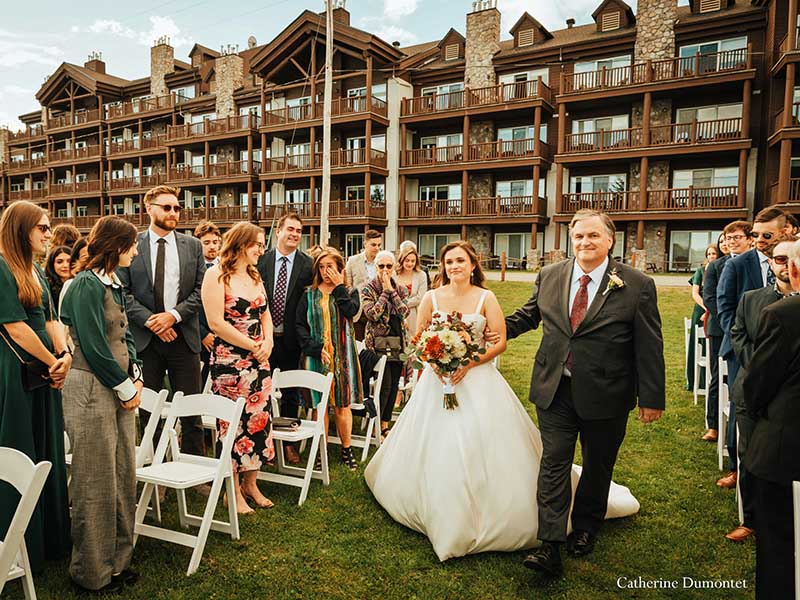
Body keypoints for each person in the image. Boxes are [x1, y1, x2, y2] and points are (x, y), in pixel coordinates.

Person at [365, 239, 640, 563]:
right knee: (437, 444)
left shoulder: (486, 297)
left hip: (478, 381)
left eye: (461, 261)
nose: (455, 266)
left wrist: (468, 361)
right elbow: (419, 335)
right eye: (449, 261)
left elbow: (499, 342)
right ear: (444, 266)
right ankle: (435, 508)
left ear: (472, 265)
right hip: (437, 384)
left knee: (483, 444)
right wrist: (435, 363)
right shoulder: (431, 297)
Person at [503, 209, 665, 577]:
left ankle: (587, 526)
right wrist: (486, 330)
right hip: (554, 387)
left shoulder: (636, 284)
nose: (585, 243)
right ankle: (550, 544)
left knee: (598, 464)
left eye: (593, 236)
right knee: (554, 461)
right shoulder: (550, 275)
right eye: (578, 236)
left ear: (610, 240)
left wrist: (651, 397)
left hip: (607, 393)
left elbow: (649, 346)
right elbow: (528, 316)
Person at [60, 216, 144, 594]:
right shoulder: (84, 286)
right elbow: (93, 346)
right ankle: (92, 571)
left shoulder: (116, 283)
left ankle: (118, 562)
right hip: (91, 389)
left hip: (119, 387)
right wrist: (127, 388)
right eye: (132, 245)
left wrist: (137, 374)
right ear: (115, 246)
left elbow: (124, 337)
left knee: (124, 472)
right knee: (95, 477)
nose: (137, 251)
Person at [0, 201, 71, 573]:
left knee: (47, 449)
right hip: (15, 374)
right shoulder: (1, 266)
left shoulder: (36, 271)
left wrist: (64, 355)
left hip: (44, 371)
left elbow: (52, 318)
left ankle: (48, 541)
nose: (48, 233)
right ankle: (15, 546)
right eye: (41, 228)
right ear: (20, 229)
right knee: (20, 449)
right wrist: (51, 360)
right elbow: (15, 326)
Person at [118, 185, 207, 461]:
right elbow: (123, 291)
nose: (173, 213)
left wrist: (173, 316)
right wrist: (151, 321)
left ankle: (196, 471)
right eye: (167, 207)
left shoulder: (192, 245)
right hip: (146, 342)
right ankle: (156, 465)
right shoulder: (132, 245)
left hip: (184, 338)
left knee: (192, 410)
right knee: (149, 411)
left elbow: (200, 290)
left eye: (177, 208)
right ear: (149, 208)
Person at [716, 208, 791, 521]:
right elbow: (729, 313)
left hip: (790, 384)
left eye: (766, 236)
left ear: (786, 232)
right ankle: (747, 505)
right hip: (746, 363)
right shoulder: (741, 271)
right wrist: (755, 362)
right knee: (744, 427)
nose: (759, 241)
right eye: (756, 235)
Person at [726, 233, 797, 546]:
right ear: (771, 262)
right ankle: (751, 518)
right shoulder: (753, 299)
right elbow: (738, 333)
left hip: (788, 400)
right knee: (750, 457)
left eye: (788, 259)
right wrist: (757, 365)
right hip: (753, 391)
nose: (783, 266)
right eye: (778, 259)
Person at [202, 222, 275, 514]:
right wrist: (250, 344)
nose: (261, 249)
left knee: (259, 421)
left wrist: (267, 341)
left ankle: (251, 483)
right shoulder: (216, 275)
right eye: (256, 244)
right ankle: (231, 490)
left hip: (260, 360)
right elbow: (215, 323)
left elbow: (266, 312)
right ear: (241, 244)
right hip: (230, 361)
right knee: (231, 425)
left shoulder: (255, 274)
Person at [741, 239, 800, 600]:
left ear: (792, 271)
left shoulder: (784, 314)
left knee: (779, 546)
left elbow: (757, 385)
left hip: (785, 452)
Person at [297, 246, 362, 470]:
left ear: (340, 269)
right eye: (322, 267)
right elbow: (300, 326)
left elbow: (351, 312)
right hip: (316, 356)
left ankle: (347, 449)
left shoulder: (349, 292)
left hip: (343, 356)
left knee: (343, 405)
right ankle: (320, 451)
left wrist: (339, 287)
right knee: (319, 406)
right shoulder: (308, 294)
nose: (326, 272)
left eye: (331, 267)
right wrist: (314, 348)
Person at [257, 213, 313, 465]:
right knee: (261, 392)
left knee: (291, 393)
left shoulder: (307, 265)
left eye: (299, 231)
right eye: (290, 229)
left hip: (291, 340)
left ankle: (289, 444)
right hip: (261, 339)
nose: (294, 234)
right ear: (278, 231)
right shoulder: (261, 260)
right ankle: (264, 442)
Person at [702, 221, 749, 446]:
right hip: (722, 328)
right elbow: (711, 297)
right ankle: (713, 424)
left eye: (737, 237)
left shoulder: (754, 263)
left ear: (748, 238)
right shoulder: (716, 266)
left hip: (749, 331)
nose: (732, 242)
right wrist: (729, 325)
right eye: (728, 238)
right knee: (716, 376)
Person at [361, 250, 409, 440]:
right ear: (375, 267)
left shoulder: (402, 289)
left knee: (394, 385)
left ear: (394, 267)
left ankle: (384, 424)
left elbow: (403, 311)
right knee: (384, 385)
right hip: (376, 346)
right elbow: (372, 314)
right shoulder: (368, 288)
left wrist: (391, 291)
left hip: (397, 343)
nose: (385, 270)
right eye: (381, 266)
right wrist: (384, 293)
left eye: (389, 266)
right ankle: (377, 424)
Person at [686, 244, 717, 393]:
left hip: (716, 310)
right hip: (701, 309)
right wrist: (707, 308)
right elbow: (695, 293)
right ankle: (697, 381)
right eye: (709, 254)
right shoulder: (700, 271)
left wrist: (712, 309)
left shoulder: (722, 269)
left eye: (714, 254)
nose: (711, 256)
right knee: (697, 343)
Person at [195, 221, 221, 389]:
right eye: (206, 243)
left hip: (222, 336)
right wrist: (203, 334)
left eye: (215, 242)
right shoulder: (192, 268)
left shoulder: (225, 268)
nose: (212, 246)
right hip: (198, 337)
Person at [345, 229, 382, 340]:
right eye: (373, 244)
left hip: (378, 311)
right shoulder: (352, 261)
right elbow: (348, 285)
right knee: (358, 347)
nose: (377, 248)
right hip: (359, 313)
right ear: (365, 243)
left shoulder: (384, 262)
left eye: (379, 245)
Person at [394, 245, 427, 335]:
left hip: (414, 314)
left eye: (413, 261)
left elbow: (420, 297)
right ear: (402, 260)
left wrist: (400, 304)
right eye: (407, 260)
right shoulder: (394, 274)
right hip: (395, 314)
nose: (410, 264)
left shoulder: (421, 275)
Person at [45, 245, 73, 309]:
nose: (65, 265)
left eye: (69, 261)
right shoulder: (47, 287)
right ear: (52, 265)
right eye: (59, 262)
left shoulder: (80, 284)